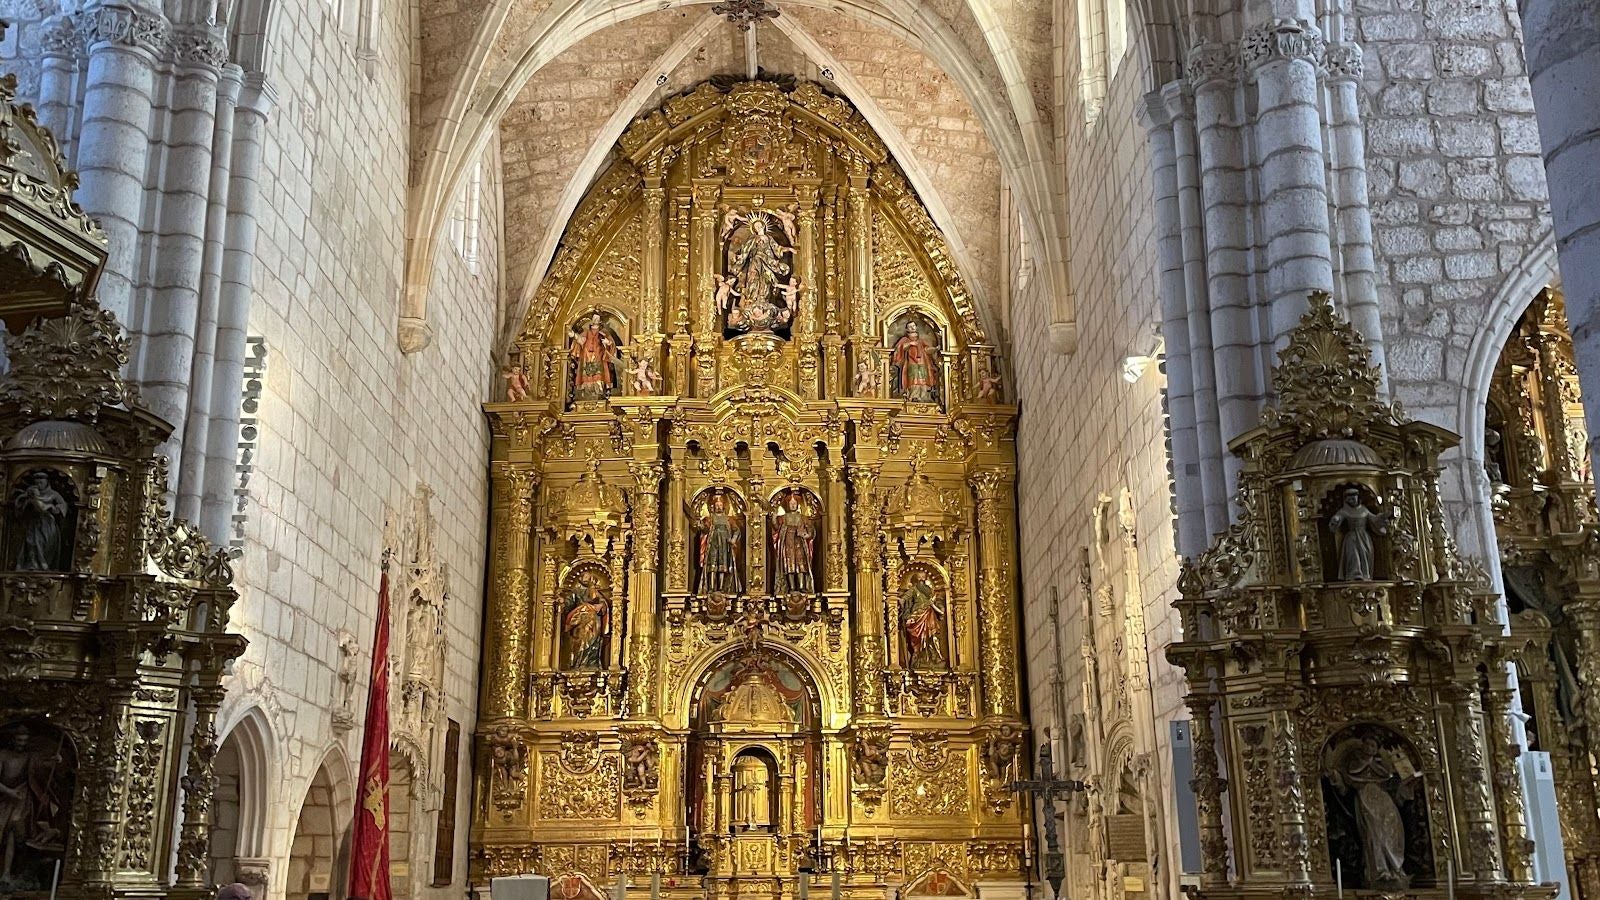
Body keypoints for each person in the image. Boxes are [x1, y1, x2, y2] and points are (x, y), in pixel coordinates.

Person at [11, 473, 67, 571]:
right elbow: (20, 506)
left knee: (45, 542)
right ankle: (33, 564)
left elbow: (63, 506)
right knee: (31, 542)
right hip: (33, 523)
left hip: (47, 524)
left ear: (47, 482)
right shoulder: (29, 493)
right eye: (37, 482)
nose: (39, 484)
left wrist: (54, 508)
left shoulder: (53, 494)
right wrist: (27, 502)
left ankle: (44, 564)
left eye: (41, 482)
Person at [1329, 487, 1386, 581]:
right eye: (1350, 498)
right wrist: (1335, 520)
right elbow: (1338, 518)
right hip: (1351, 538)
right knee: (1353, 555)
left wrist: (1383, 517)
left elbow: (1374, 520)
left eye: (1354, 498)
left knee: (1364, 554)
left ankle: (1365, 575)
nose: (1353, 500)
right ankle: (1354, 575)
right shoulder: (1344, 510)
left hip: (1364, 538)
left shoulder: (1364, 510)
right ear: (1346, 500)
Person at [697, 493, 743, 595]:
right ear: (713, 507)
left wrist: (733, 540)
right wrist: (700, 526)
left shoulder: (728, 519)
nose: (718, 507)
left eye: (720, 505)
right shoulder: (710, 518)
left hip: (724, 545)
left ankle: (722, 587)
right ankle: (712, 588)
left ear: (724, 506)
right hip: (713, 544)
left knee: (723, 566)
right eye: (717, 505)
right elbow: (705, 529)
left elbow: (736, 530)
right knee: (712, 566)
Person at [560, 575, 609, 670]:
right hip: (579, 625)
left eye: (591, 577)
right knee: (580, 643)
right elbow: (567, 607)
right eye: (586, 576)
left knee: (593, 641)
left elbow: (603, 604)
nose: (590, 578)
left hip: (594, 624)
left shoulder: (595, 592)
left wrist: (601, 606)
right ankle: (578, 663)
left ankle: (591, 662)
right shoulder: (576, 591)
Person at [771, 493, 816, 594]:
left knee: (801, 565)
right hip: (788, 542)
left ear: (797, 504)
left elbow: (811, 530)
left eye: (794, 503)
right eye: (791, 503)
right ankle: (791, 587)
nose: (793, 505)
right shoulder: (783, 517)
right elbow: (776, 528)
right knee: (789, 564)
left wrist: (806, 535)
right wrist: (774, 518)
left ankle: (801, 586)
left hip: (799, 542)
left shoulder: (803, 518)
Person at [900, 572, 947, 668]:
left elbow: (936, 601)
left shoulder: (929, 590)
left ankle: (935, 657)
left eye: (923, 577)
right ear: (916, 579)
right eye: (919, 577)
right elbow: (905, 598)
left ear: (925, 579)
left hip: (929, 614)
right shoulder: (914, 589)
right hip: (917, 616)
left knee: (932, 636)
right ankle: (918, 655)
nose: (921, 579)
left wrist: (936, 606)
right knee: (918, 637)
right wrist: (899, 601)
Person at [569, 314, 617, 402]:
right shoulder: (586, 332)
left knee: (599, 376)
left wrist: (608, 342)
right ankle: (586, 394)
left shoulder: (603, 332)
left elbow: (611, 344)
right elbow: (581, 340)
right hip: (586, 357)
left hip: (599, 357)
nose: (595, 320)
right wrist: (574, 335)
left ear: (600, 321)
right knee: (586, 375)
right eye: (594, 318)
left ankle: (600, 393)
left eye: (597, 318)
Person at [891, 321, 939, 403]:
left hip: (923, 363)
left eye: (914, 326)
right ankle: (914, 396)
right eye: (910, 326)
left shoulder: (921, 341)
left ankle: (924, 397)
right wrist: (910, 344)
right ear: (907, 329)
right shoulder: (905, 340)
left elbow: (927, 350)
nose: (913, 328)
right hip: (911, 362)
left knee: (923, 379)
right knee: (913, 378)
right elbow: (899, 348)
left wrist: (935, 349)